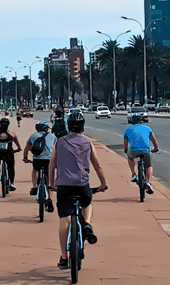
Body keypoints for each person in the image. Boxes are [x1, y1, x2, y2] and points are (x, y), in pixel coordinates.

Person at [49, 110, 108, 270]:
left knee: (64, 221)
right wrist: (103, 183)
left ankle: (63, 257)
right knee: (87, 202)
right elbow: (97, 165)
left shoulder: (59, 142)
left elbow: (52, 165)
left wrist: (50, 184)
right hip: (82, 185)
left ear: (69, 126)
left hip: (63, 186)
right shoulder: (88, 143)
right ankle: (87, 224)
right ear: (82, 127)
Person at [22, 121, 57, 212]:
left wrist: (25, 158)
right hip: (48, 161)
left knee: (34, 170)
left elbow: (26, 148)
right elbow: (56, 149)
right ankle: (49, 198)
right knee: (49, 177)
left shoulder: (33, 136)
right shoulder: (52, 136)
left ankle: (34, 187)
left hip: (37, 160)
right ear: (46, 128)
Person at [123, 114, 160, 194]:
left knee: (130, 157)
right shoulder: (147, 128)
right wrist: (155, 148)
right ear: (141, 121)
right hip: (145, 150)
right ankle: (149, 182)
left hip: (133, 150)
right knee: (148, 165)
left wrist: (126, 150)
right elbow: (154, 140)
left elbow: (125, 144)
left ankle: (133, 174)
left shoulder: (128, 129)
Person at [0, 117, 22, 191]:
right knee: (11, 167)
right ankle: (12, 183)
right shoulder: (12, 134)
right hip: (9, 153)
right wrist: (18, 149)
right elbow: (17, 144)